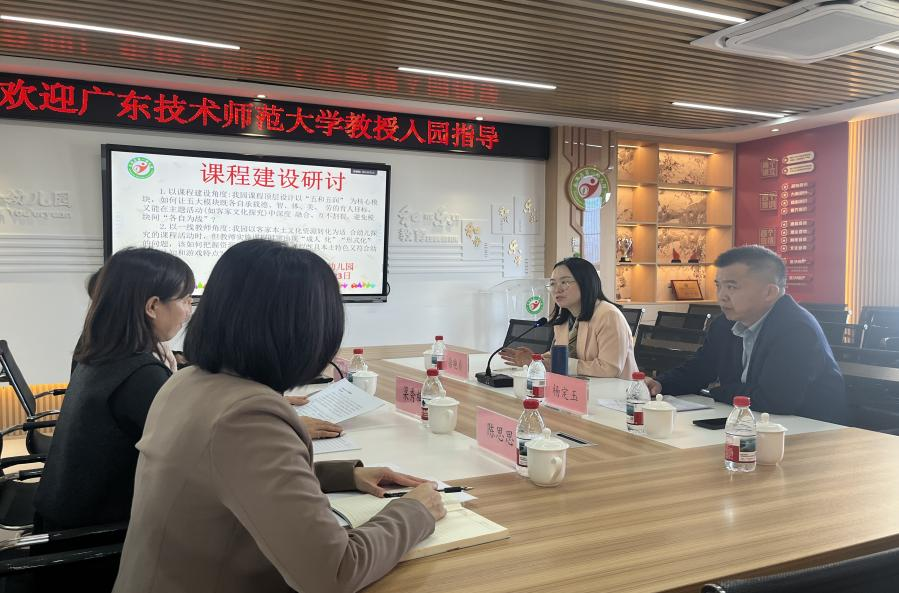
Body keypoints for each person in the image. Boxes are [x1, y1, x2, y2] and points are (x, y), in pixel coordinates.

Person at [113, 240, 445, 593]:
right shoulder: (247, 416)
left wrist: (345, 475)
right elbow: (334, 573)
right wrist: (414, 511)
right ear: (304, 331)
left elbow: (230, 475)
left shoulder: (186, 381)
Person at [35, 248, 196, 531]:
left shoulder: (98, 351)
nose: (189, 310)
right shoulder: (141, 374)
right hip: (94, 537)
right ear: (152, 306)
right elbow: (190, 454)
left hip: (59, 516)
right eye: (184, 299)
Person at [646, 245, 846, 423]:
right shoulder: (724, 324)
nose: (722, 296)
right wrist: (661, 384)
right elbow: (701, 367)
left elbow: (776, 400)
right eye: (719, 286)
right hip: (750, 421)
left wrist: (717, 391)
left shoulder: (796, 329)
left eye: (732, 287)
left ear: (769, 293)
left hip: (808, 431)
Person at [500, 257, 637, 378]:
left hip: (617, 393)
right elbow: (558, 357)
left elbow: (610, 369)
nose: (557, 289)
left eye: (564, 282)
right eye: (552, 284)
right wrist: (536, 360)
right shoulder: (565, 320)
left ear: (585, 283)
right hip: (578, 389)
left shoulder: (608, 315)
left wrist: (555, 364)